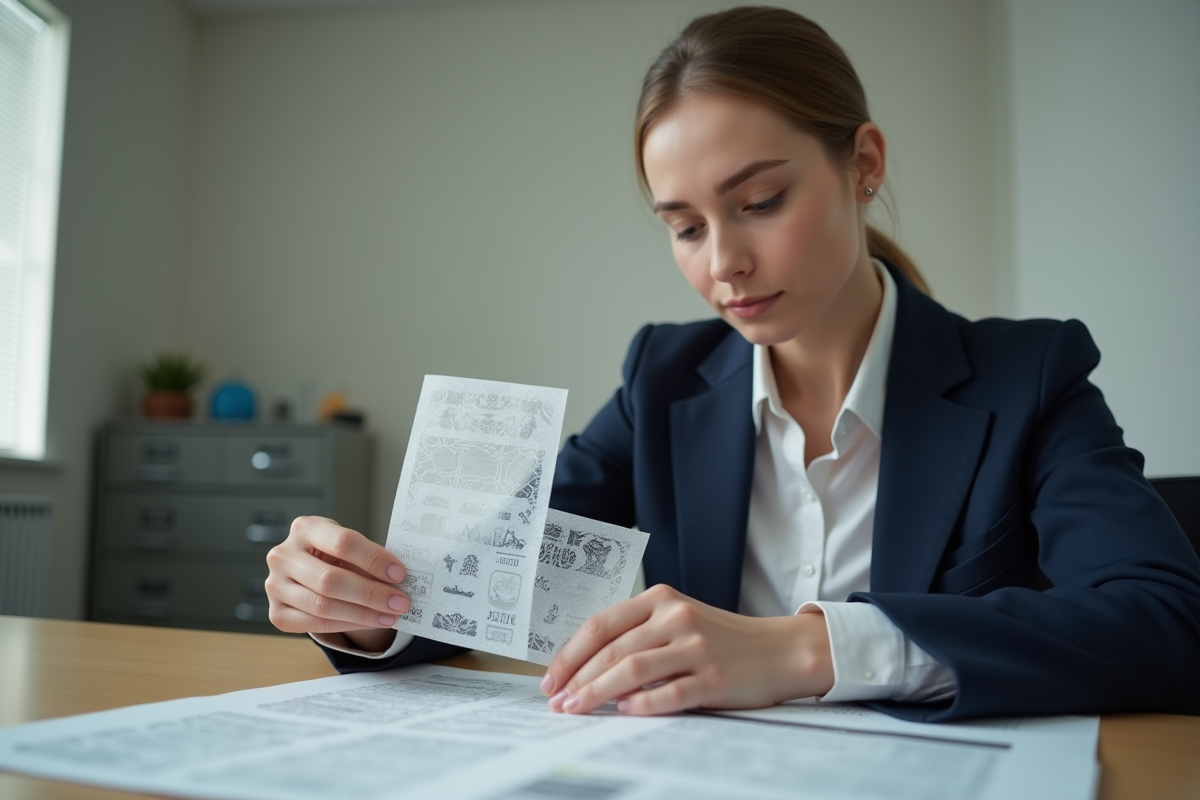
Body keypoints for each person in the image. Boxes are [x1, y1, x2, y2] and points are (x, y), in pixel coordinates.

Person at [264, 6, 1200, 722]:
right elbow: (497, 577)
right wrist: (367, 609)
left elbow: (1165, 620)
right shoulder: (663, 383)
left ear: (863, 165)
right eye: (683, 226)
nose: (722, 265)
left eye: (759, 200)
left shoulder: (1027, 376)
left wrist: (805, 650)